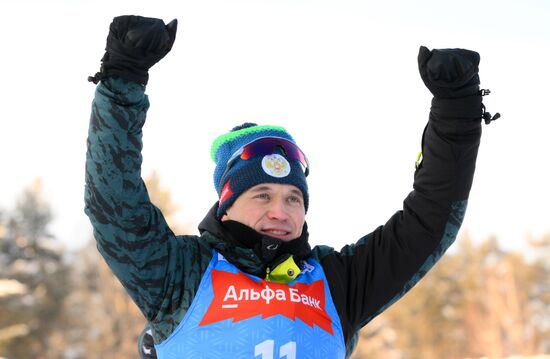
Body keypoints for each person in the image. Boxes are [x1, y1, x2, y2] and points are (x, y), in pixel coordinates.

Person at [85, 15, 498, 359]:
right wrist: (122, 80)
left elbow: (429, 221)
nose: (280, 211)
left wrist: (456, 114)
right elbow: (114, 205)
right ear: (226, 206)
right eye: (262, 195)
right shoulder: (181, 276)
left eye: (293, 198)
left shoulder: (338, 285)